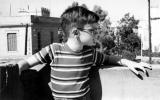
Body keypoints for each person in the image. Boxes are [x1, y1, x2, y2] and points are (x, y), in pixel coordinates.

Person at [8, 6, 151, 100]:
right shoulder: (54, 50)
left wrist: (128, 62)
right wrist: (13, 72)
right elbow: (27, 62)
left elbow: (110, 59)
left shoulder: (90, 53)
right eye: (92, 31)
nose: (96, 33)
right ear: (76, 32)